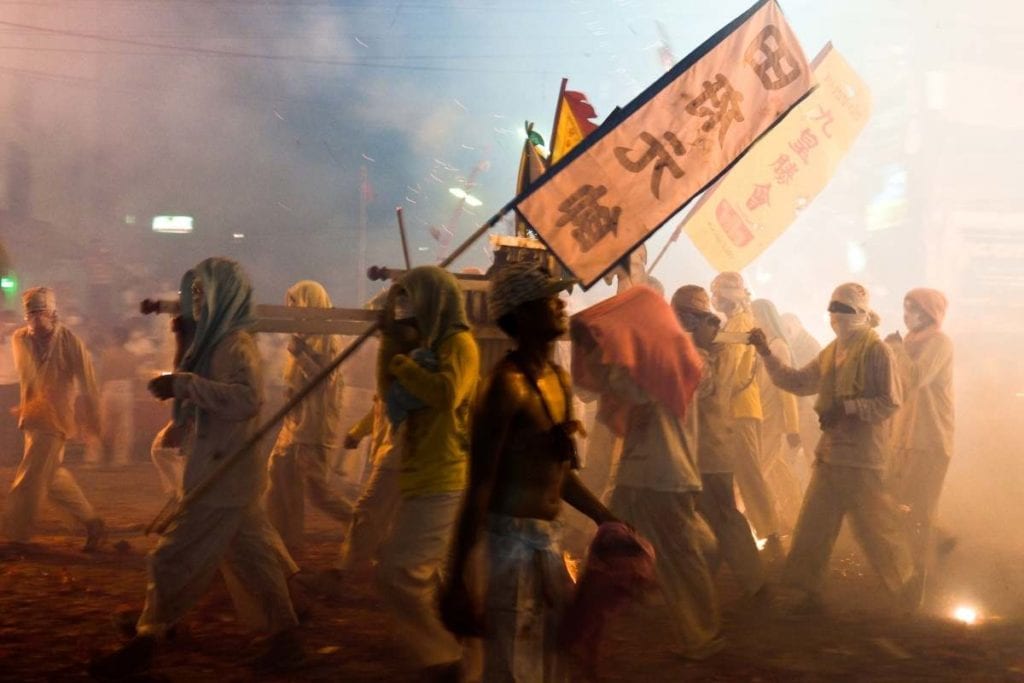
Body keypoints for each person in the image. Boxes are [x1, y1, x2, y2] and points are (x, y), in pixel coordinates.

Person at [89, 257, 303, 679]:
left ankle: (147, 638)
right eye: (196, 294)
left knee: (171, 557)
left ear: (226, 296)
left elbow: (246, 399)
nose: (199, 302)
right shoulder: (216, 343)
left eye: (206, 294)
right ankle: (288, 635)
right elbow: (202, 390)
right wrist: (182, 363)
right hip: (224, 469)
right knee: (255, 560)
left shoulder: (236, 344)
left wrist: (181, 385)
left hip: (225, 471)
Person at [441, 264, 617, 682]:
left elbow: (560, 472)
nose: (561, 304)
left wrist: (605, 517)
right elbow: (479, 485)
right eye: (549, 299)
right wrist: (456, 580)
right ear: (520, 315)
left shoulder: (557, 378)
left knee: (553, 659)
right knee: (511, 668)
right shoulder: (503, 386)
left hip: (548, 544)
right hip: (507, 548)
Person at [572, 284, 721, 659]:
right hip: (645, 472)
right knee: (613, 542)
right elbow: (604, 388)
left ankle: (701, 634)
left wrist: (610, 351)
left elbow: (634, 391)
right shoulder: (662, 354)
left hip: (665, 474)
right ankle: (590, 625)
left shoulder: (672, 358)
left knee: (681, 555)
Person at [749, 282, 918, 612]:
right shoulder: (832, 351)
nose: (837, 317)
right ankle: (804, 592)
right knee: (813, 526)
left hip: (862, 459)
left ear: (862, 315)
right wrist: (765, 353)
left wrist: (848, 407)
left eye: (845, 311)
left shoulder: (877, 352)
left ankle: (908, 586)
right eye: (834, 309)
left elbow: (889, 402)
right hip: (831, 454)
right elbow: (797, 382)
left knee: (875, 532)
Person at [372, 265, 480, 682]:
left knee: (396, 572)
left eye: (410, 300)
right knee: (423, 575)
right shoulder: (425, 347)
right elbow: (388, 394)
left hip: (444, 475)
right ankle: (457, 655)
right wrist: (392, 344)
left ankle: (442, 657)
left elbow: (447, 394)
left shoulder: (460, 344)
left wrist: (405, 365)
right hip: (421, 472)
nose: (404, 309)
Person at [672, 285, 766, 601]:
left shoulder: (705, 354)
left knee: (718, 515)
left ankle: (747, 582)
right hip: (696, 449)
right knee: (708, 516)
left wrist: (716, 351)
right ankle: (713, 580)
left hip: (708, 449)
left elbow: (711, 387)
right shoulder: (693, 351)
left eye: (694, 317)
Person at [1, 286, 106, 550]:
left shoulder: (71, 342)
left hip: (56, 420)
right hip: (32, 418)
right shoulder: (19, 339)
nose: (35, 320)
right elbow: (29, 376)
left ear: (53, 313)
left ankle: (16, 535)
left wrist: (94, 422)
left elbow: (89, 383)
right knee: (52, 477)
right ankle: (93, 523)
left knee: (29, 478)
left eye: (40, 313)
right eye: (31, 315)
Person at [265, 280, 351, 558]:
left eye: (296, 303)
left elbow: (324, 378)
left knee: (317, 490)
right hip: (295, 422)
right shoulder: (303, 334)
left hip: (313, 426)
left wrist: (300, 354)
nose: (292, 309)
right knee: (279, 474)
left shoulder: (326, 336)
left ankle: (364, 527)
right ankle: (284, 538)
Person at [710, 272, 783, 561]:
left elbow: (736, 373)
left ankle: (771, 535)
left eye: (719, 293)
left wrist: (717, 398)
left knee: (750, 477)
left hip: (739, 411)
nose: (716, 299)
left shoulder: (740, 324)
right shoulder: (733, 323)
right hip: (734, 411)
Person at [886, 288, 955, 570]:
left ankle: (921, 572)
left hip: (930, 436)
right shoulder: (909, 342)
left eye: (912, 308)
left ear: (928, 313)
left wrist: (897, 349)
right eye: (905, 307)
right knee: (897, 500)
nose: (906, 314)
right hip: (903, 435)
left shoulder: (939, 342)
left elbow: (916, 377)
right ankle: (933, 547)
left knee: (919, 507)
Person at [751, 299, 804, 530]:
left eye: (755, 316)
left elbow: (787, 390)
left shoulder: (778, 347)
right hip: (760, 414)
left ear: (764, 318)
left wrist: (792, 428)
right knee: (775, 470)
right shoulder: (764, 345)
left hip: (772, 417)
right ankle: (793, 517)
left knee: (760, 469)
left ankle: (766, 525)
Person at [86, 326, 138, 468]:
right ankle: (120, 460)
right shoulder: (131, 356)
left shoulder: (107, 354)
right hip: (126, 391)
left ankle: (94, 458)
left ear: (115, 338)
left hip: (110, 390)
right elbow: (135, 377)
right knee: (123, 428)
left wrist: (98, 392)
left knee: (103, 425)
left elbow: (102, 375)